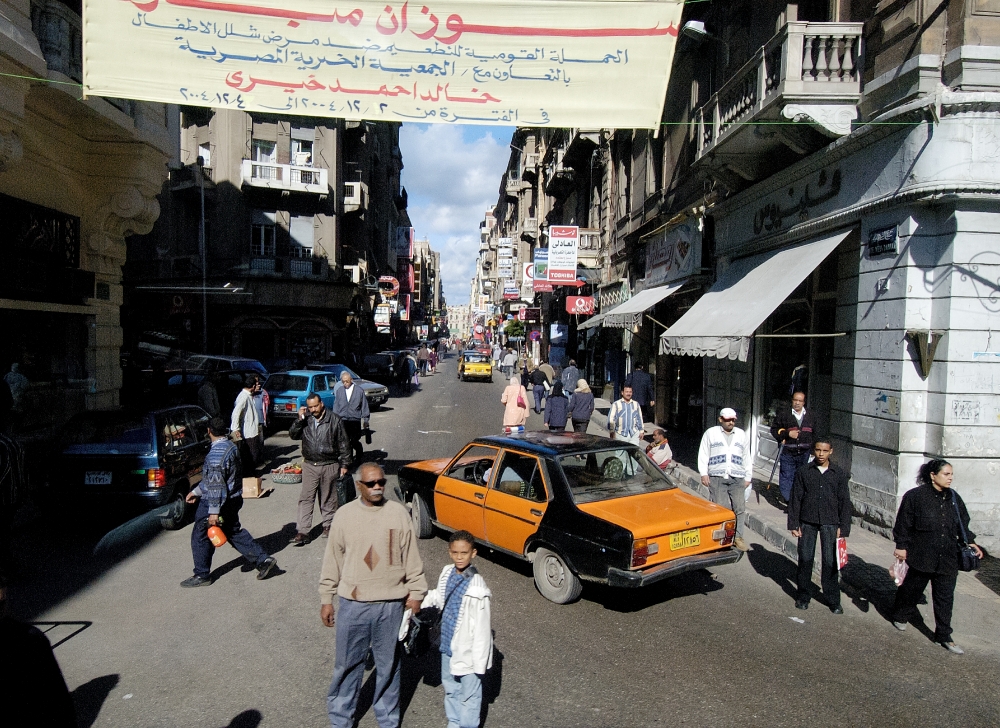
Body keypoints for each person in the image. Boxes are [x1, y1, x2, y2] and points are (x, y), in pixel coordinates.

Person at [319, 463, 427, 728]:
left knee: (388, 667)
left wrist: (416, 593)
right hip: (353, 604)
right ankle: (340, 720)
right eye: (371, 483)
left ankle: (388, 720)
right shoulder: (344, 516)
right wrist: (326, 598)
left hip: (391, 605)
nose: (378, 487)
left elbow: (411, 557)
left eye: (381, 482)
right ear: (359, 486)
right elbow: (332, 559)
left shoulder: (398, 514)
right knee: (346, 666)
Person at [890, 459, 983, 654]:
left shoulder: (954, 498)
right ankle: (900, 615)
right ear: (933, 475)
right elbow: (903, 523)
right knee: (911, 590)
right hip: (921, 555)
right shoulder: (914, 497)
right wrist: (901, 546)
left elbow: (962, 523)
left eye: (951, 474)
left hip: (948, 557)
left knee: (945, 597)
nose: (950, 478)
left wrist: (972, 542)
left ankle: (944, 635)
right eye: (946, 474)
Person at [181, 418, 277, 587]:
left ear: (209, 431)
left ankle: (202, 574)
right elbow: (217, 478)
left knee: (200, 535)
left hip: (219, 502)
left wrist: (213, 512)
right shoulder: (231, 447)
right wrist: (196, 491)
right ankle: (263, 560)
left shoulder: (215, 456)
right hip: (233, 498)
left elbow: (217, 485)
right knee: (233, 531)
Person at [421, 530, 493, 728]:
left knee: (469, 696)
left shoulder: (478, 589)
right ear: (449, 552)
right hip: (447, 645)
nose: (459, 557)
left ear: (473, 553)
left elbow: (482, 631)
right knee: (451, 688)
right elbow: (439, 596)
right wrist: (420, 601)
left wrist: (480, 664)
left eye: (464, 553)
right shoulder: (447, 572)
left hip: (469, 653)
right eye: (455, 553)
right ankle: (453, 722)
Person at [787, 439, 852, 612]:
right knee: (805, 559)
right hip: (807, 521)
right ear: (813, 451)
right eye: (818, 450)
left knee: (830, 562)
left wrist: (843, 527)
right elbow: (796, 498)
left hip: (830, 523)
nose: (821, 454)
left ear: (831, 451)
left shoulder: (839, 474)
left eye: (825, 451)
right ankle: (803, 596)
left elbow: (845, 502)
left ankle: (832, 599)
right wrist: (794, 523)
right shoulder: (804, 472)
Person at [289, 393, 352, 546]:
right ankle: (303, 532)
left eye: (315, 406)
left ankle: (328, 525)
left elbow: (344, 443)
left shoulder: (334, 419)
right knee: (306, 498)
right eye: (310, 407)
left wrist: (345, 464)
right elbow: (293, 435)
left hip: (329, 464)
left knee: (328, 497)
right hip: (310, 464)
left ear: (321, 404)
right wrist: (299, 419)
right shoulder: (306, 419)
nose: (313, 409)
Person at [698, 407, 752, 552]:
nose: (731, 422)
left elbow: (747, 456)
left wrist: (748, 476)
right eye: (728, 420)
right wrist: (703, 473)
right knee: (719, 508)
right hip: (717, 476)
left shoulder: (741, 434)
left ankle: (738, 537)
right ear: (721, 419)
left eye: (733, 420)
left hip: (737, 477)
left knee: (739, 508)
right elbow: (703, 453)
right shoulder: (711, 433)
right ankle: (718, 538)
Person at [770, 391, 817, 503]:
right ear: (792, 401)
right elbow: (774, 430)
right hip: (788, 452)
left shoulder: (811, 415)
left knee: (801, 477)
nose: (797, 403)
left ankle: (799, 500)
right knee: (787, 477)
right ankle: (789, 501)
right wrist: (787, 434)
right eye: (795, 400)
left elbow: (815, 433)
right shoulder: (784, 414)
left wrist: (813, 450)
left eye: (800, 401)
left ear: (804, 402)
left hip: (804, 452)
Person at [333, 370, 370, 463]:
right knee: (345, 442)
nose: (345, 383)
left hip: (354, 420)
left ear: (351, 380)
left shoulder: (359, 390)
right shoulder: (340, 391)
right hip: (343, 420)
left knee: (354, 440)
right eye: (343, 381)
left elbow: (364, 406)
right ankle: (348, 460)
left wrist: (366, 420)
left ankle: (359, 453)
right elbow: (336, 405)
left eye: (347, 381)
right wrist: (335, 419)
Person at [230, 373, 264, 475]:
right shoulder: (244, 397)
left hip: (252, 431)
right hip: (248, 432)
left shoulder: (248, 396)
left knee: (253, 455)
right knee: (251, 456)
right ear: (252, 386)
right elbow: (236, 412)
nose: (258, 386)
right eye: (256, 384)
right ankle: (249, 477)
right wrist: (235, 428)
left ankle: (250, 474)